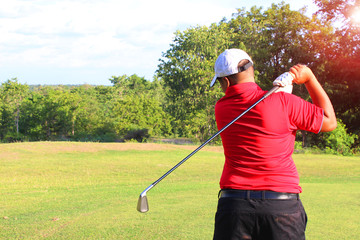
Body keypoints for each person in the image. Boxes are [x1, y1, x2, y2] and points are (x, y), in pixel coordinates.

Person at [210, 49, 337, 240]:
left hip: (234, 207)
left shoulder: (221, 108)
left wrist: (280, 95)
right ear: (252, 69)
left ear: (226, 82)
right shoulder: (284, 102)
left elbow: (257, 104)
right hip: (282, 208)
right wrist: (309, 78)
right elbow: (329, 122)